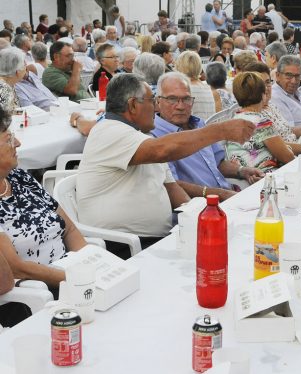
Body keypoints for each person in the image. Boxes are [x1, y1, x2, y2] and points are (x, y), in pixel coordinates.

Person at [76, 73, 255, 242]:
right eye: (151, 101)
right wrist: (220, 131)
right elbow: (163, 151)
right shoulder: (110, 131)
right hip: (122, 243)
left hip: (161, 237)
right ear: (132, 105)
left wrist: (200, 222)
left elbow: (172, 188)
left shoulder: (141, 138)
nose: (155, 107)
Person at [0, 106, 86, 290]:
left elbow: (69, 229)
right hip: (40, 291)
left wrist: (89, 262)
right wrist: (75, 280)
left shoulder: (19, 177)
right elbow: (17, 269)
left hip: (71, 275)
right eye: (9, 140)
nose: (18, 144)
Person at [151, 72, 263, 194]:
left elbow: (218, 162)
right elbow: (172, 185)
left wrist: (242, 171)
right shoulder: (155, 137)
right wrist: (218, 194)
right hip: (199, 206)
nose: (181, 106)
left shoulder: (199, 124)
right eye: (172, 99)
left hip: (227, 195)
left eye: (186, 99)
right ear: (158, 102)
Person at [226, 72, 295, 172]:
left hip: (242, 179)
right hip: (266, 177)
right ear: (263, 95)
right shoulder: (261, 122)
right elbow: (288, 157)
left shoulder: (234, 119)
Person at [271, 55, 301, 127]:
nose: (293, 81)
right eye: (289, 75)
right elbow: (289, 130)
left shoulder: (295, 93)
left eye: (297, 76)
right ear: (277, 76)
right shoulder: (275, 96)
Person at [175, 51, 215, 120]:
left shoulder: (185, 90)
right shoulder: (207, 87)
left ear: (179, 67)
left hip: (195, 128)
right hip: (207, 127)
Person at [0, 48, 25, 114]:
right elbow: (7, 118)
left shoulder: (8, 83)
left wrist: (25, 113)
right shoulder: (4, 88)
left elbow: (12, 111)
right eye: (25, 65)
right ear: (18, 71)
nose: (26, 68)